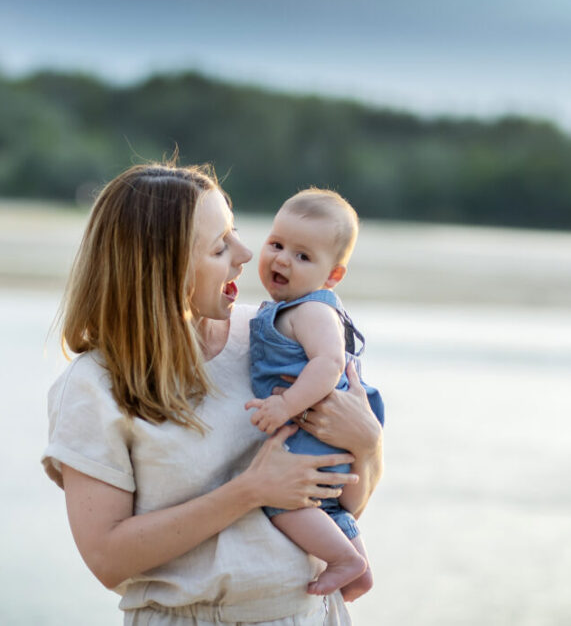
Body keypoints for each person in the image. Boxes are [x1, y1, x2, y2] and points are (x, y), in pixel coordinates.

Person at [41, 163, 384, 626]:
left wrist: (368, 446)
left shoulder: (275, 336)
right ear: (162, 266)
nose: (246, 253)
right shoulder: (94, 386)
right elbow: (107, 559)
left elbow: (342, 505)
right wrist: (250, 491)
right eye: (221, 245)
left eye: (236, 233)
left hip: (310, 614)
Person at [245, 188, 384, 603]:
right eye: (277, 244)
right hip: (324, 439)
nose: (283, 259)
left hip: (311, 433)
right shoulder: (293, 308)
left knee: (283, 503)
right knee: (326, 510)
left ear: (332, 276)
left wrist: (286, 404)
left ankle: (345, 561)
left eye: (303, 256)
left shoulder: (311, 311)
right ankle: (357, 570)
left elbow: (327, 364)